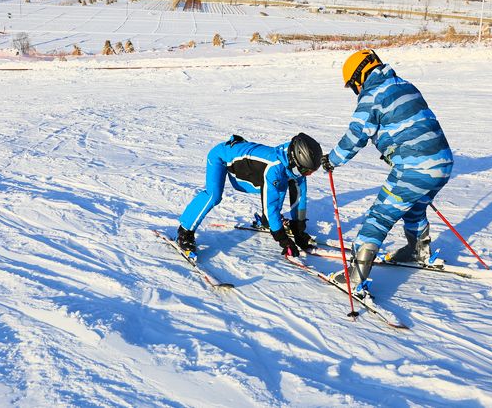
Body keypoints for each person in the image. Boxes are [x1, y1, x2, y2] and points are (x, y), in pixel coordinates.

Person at [321, 50, 454, 295]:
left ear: (360, 76)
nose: (355, 90)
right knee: (415, 208)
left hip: (415, 167)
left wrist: (332, 160)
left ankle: (355, 276)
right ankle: (418, 251)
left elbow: (356, 135)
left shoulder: (372, 95)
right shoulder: (405, 85)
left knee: (379, 216)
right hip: (443, 163)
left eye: (353, 85)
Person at [177, 133, 323, 258]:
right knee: (213, 196)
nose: (309, 174)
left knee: (282, 184)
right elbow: (270, 205)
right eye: (307, 171)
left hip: (250, 168)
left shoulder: (297, 166)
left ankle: (269, 222)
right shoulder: (274, 168)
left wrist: (299, 229)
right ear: (295, 160)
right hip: (221, 158)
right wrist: (282, 238)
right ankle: (185, 231)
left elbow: (299, 197)